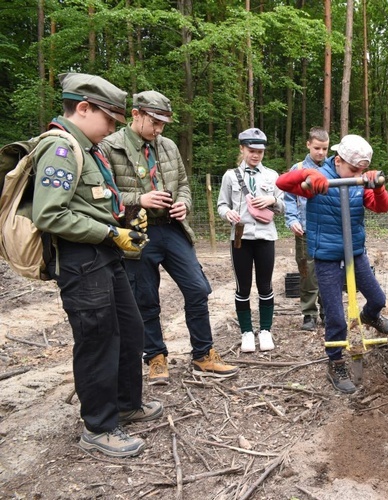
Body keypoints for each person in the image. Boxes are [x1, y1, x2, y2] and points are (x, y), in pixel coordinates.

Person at [32, 73, 162, 457]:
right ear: (83, 108)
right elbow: (49, 214)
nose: (111, 129)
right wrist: (108, 234)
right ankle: (99, 426)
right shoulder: (59, 148)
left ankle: (125, 404)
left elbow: (97, 199)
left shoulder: (90, 149)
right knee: (97, 339)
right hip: (81, 260)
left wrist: (127, 215)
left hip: (105, 254)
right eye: (108, 119)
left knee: (130, 327)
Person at [101, 90, 238, 383]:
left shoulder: (168, 146)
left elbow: (185, 185)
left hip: (172, 229)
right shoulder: (110, 146)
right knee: (145, 298)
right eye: (155, 122)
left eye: (164, 123)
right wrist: (141, 199)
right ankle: (155, 357)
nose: (159, 129)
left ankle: (203, 354)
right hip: (137, 232)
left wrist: (184, 204)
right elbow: (104, 195)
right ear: (136, 115)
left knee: (198, 288)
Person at [276, 134, 388, 394]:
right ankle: (336, 364)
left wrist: (377, 187)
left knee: (377, 297)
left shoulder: (358, 180)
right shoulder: (318, 177)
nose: (358, 174)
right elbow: (282, 182)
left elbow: (381, 208)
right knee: (335, 315)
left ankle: (370, 316)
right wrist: (307, 175)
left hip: (356, 253)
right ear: (338, 160)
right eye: (353, 170)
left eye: (362, 170)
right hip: (327, 256)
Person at [217, 128, 285, 353]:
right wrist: (227, 214)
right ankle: (246, 332)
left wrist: (272, 199)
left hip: (266, 236)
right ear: (242, 149)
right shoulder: (230, 176)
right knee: (243, 287)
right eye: (251, 150)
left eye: (260, 151)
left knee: (265, 285)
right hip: (241, 238)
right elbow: (222, 204)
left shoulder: (272, 176)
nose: (256, 155)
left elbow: (284, 206)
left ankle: (265, 330)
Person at [284, 127, 330, 331]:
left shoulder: (331, 168)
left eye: (325, 148)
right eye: (317, 148)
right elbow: (289, 198)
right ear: (308, 145)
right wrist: (292, 219)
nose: (321, 152)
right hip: (305, 230)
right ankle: (309, 314)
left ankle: (328, 311)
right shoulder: (298, 169)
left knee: (328, 273)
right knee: (307, 272)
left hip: (328, 230)